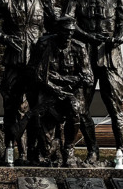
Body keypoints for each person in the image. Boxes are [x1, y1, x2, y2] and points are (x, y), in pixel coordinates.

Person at [0, 0, 56, 162]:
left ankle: (35, 152)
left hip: (37, 61)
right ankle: (10, 151)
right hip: (14, 61)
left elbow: (53, 25)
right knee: (10, 107)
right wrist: (5, 38)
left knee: (37, 108)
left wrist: (46, 46)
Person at [61, 0, 123, 165]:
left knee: (115, 107)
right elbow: (68, 22)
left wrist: (117, 39)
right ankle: (92, 150)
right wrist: (88, 36)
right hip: (84, 57)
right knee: (80, 107)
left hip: (110, 58)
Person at [28, 14, 96, 167]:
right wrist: (55, 86)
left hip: (70, 93)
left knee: (75, 109)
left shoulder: (79, 47)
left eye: (71, 32)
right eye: (65, 32)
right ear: (57, 30)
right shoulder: (44, 44)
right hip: (47, 91)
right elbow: (34, 71)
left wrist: (61, 80)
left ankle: (69, 149)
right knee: (46, 151)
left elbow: (88, 78)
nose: (68, 35)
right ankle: (44, 149)